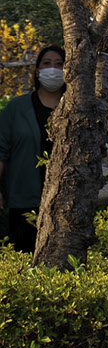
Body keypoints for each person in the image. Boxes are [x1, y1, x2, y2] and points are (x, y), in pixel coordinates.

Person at [0, 45, 64, 254]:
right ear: (37, 70)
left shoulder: (76, 108)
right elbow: (1, 152)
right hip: (24, 201)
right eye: (46, 64)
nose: (52, 69)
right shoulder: (16, 109)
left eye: (59, 64)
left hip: (67, 202)